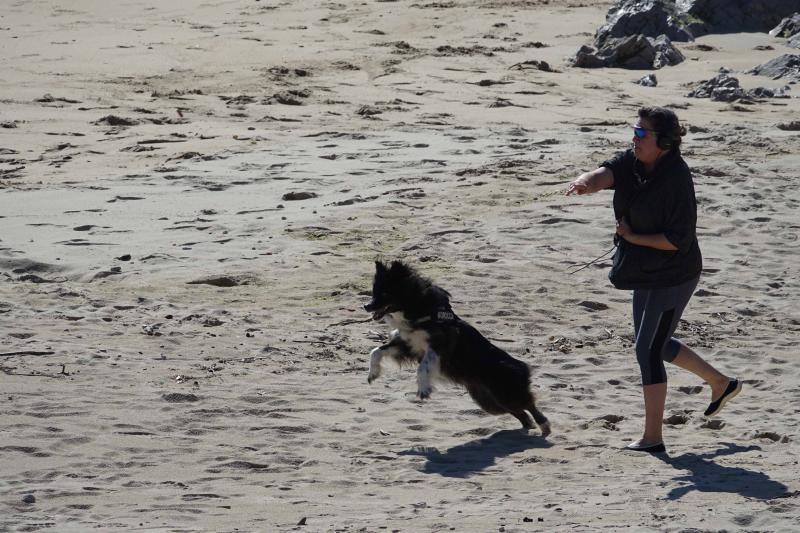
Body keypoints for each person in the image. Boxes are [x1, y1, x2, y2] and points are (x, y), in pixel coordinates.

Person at [566, 106, 741, 453]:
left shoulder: (676, 177)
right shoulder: (633, 161)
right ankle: (721, 382)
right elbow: (606, 172)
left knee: (647, 350)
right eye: (635, 130)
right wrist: (586, 181)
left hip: (675, 274)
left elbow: (677, 240)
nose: (635, 137)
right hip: (645, 270)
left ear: (663, 141)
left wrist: (632, 239)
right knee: (654, 344)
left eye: (642, 133)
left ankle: (653, 438)